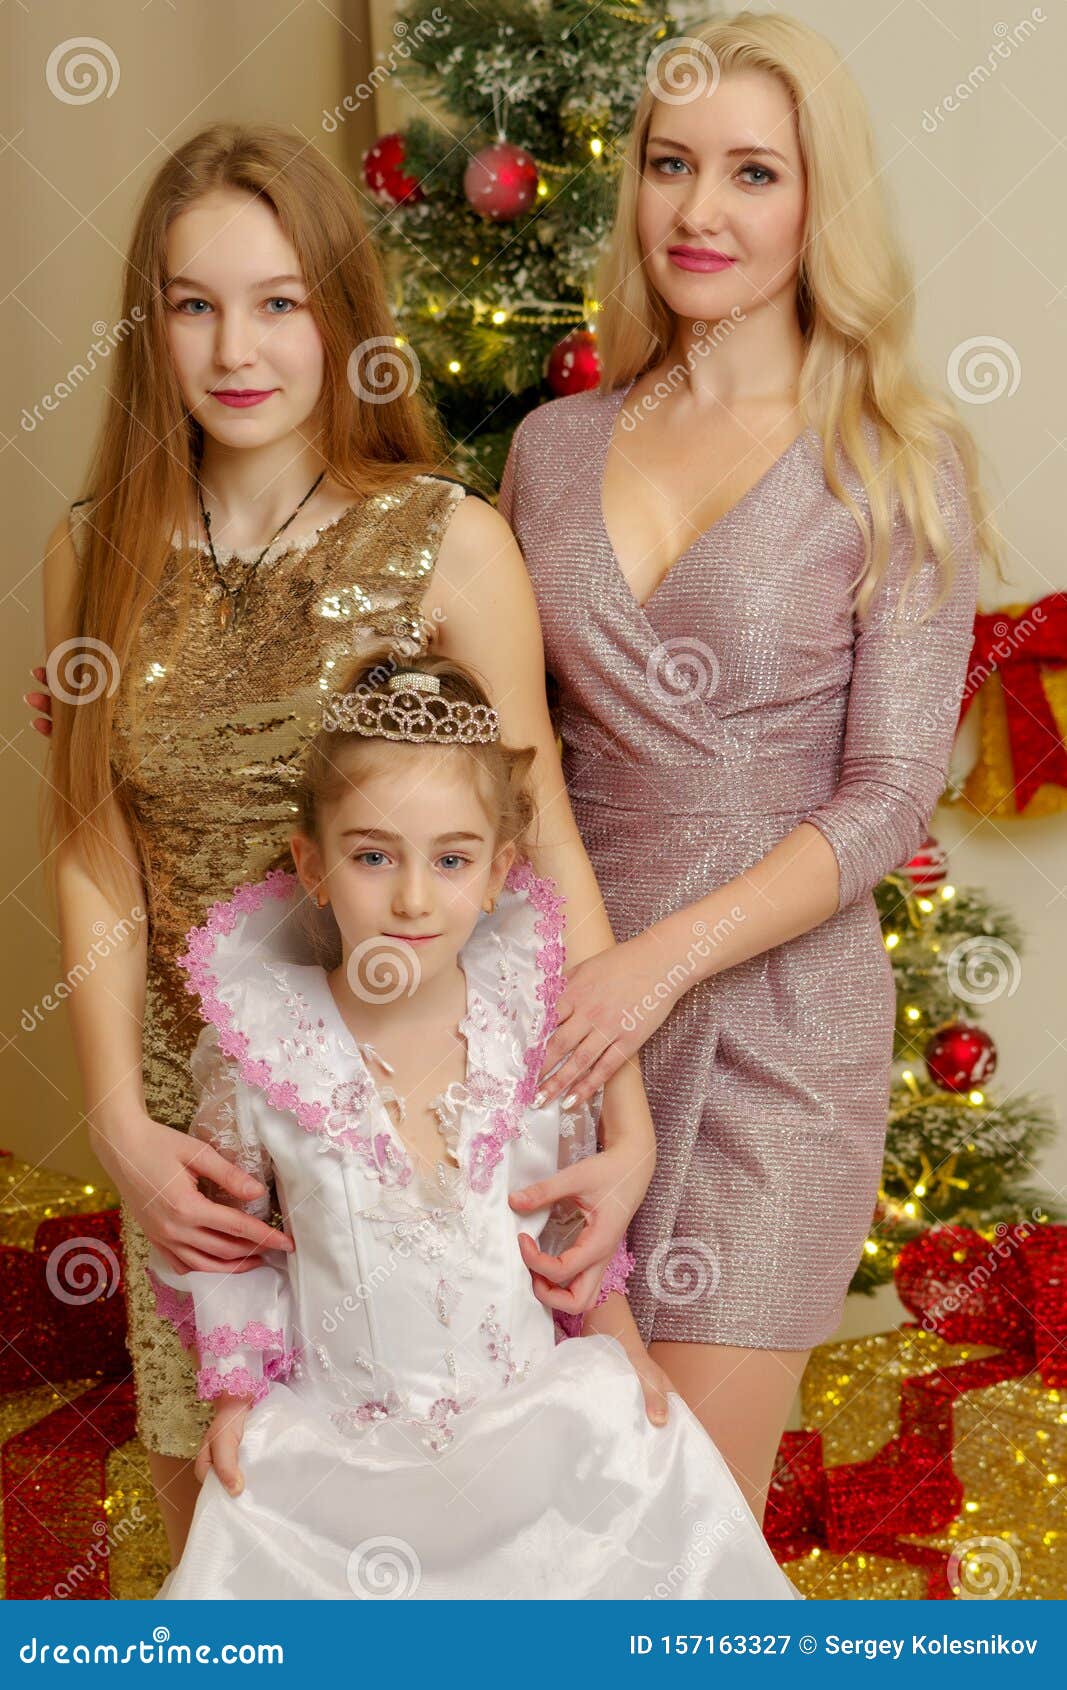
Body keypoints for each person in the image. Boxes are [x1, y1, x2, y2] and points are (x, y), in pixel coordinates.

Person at [31, 121, 657, 1570]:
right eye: (194, 304)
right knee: (244, 1578)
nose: (234, 347)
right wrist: (123, 1125)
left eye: (276, 302)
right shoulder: (95, 553)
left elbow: (538, 842)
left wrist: (618, 1128)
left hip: (421, 1148)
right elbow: (91, 849)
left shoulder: (443, 541)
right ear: (153, 325)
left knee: (471, 1585)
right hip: (216, 1174)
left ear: (337, 311)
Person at [499, 11, 999, 1524]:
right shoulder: (548, 447)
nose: (699, 210)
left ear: (814, 204)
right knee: (537, 1519)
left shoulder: (890, 459)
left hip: (774, 1034)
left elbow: (885, 797)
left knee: (677, 1533)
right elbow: (495, 748)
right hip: (553, 1020)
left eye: (751, 172)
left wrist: (660, 963)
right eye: (668, 164)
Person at [145, 648, 802, 1600]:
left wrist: (621, 1345)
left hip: (532, 1437)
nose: (413, 897)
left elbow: (570, 1226)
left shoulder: (534, 1039)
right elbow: (234, 1248)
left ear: (497, 873)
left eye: (450, 860)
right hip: (341, 1457)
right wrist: (240, 1395)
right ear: (312, 866)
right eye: (373, 856)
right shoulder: (262, 1054)